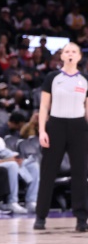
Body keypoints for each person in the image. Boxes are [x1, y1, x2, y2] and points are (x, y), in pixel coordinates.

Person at [35, 43, 88, 232]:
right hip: (56, 125)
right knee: (48, 172)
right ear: (62, 56)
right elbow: (43, 107)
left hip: (79, 127)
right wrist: (42, 131)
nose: (70, 54)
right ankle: (40, 216)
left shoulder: (85, 79)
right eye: (67, 51)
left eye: (74, 51)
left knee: (80, 174)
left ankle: (82, 218)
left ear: (80, 57)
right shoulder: (52, 78)